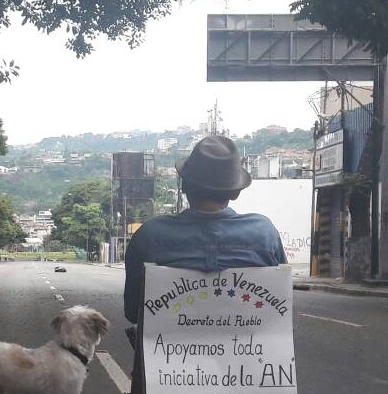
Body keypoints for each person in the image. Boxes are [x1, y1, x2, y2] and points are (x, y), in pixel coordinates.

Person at [123, 135, 287, 324]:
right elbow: (280, 307)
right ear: (235, 192)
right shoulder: (264, 233)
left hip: (169, 351)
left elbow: (133, 312)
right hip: (254, 351)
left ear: (185, 187)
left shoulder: (148, 236)